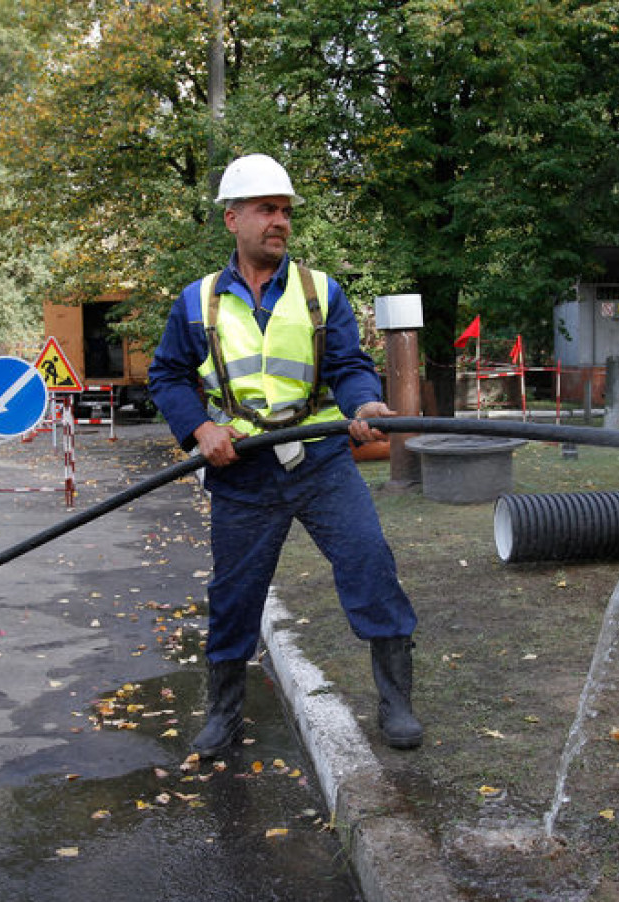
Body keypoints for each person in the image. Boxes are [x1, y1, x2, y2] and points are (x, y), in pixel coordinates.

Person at [147, 153, 422, 756]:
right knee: (235, 595)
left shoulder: (320, 291)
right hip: (242, 471)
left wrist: (365, 404)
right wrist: (199, 430)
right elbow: (166, 377)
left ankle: (396, 703)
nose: (280, 222)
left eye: (285, 212)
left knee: (371, 565)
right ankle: (224, 713)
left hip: (322, 462)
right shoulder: (197, 302)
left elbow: (349, 365)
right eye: (267, 210)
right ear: (232, 219)